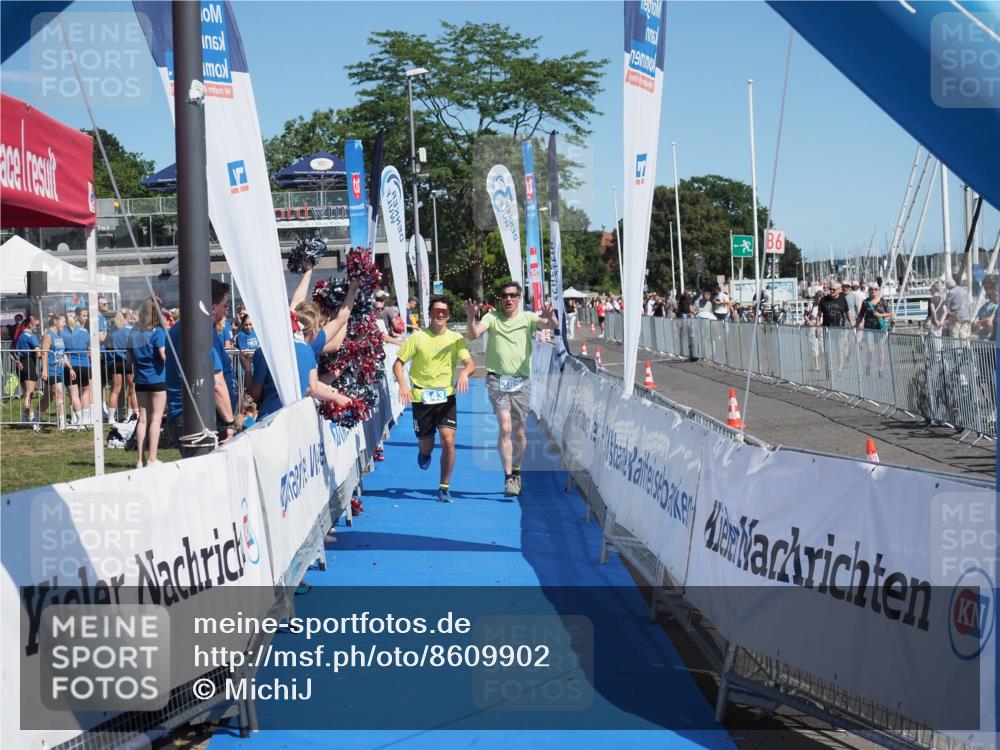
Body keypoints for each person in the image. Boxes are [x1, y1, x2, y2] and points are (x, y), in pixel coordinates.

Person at [464, 281, 559, 497]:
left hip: (521, 382)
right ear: (500, 299)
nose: (508, 299)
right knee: (505, 427)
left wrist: (550, 316)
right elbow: (473, 335)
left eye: (513, 295)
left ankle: (516, 471)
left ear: (518, 298)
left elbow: (550, 325)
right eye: (504, 295)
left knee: (519, 431)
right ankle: (508, 478)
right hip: (497, 380)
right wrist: (471, 317)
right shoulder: (492, 318)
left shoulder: (527, 318)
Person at [394, 296, 475, 503]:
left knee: (449, 440)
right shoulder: (418, 337)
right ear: (429, 314)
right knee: (426, 446)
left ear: (448, 316)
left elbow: (470, 363)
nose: (440, 315)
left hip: (446, 396)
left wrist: (465, 373)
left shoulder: (455, 338)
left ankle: (444, 486)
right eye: (436, 311)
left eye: (444, 312)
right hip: (422, 398)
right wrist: (404, 385)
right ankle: (424, 452)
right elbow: (398, 363)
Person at [166, 279, 238, 450]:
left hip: (196, 416)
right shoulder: (199, 332)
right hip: (199, 418)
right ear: (213, 308)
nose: (227, 310)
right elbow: (216, 384)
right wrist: (229, 423)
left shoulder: (183, 329)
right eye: (225, 305)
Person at [249, 307, 352, 422]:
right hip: (295, 418)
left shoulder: (262, 351)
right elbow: (312, 388)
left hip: (270, 417)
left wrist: (247, 369)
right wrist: (336, 397)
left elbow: (255, 394)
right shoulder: (307, 350)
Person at [129, 298, 168, 468]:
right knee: (156, 418)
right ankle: (152, 458)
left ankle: (139, 459)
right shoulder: (158, 332)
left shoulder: (133, 332)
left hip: (140, 379)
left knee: (142, 418)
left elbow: (129, 358)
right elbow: (163, 355)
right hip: (157, 378)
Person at [40, 313, 73, 429]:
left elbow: (62, 353)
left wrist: (70, 367)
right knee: (60, 394)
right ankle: (62, 423)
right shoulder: (48, 335)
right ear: (55, 321)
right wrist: (44, 370)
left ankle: (36, 419)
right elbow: (43, 353)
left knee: (49, 397)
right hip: (50, 369)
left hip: (59, 369)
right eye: (63, 321)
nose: (64, 324)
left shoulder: (59, 335)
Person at [62, 307, 94, 428]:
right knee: (85, 392)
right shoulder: (85, 333)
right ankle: (86, 419)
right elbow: (90, 348)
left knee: (74, 394)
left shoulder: (64, 333)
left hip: (71, 365)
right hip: (85, 365)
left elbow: (62, 351)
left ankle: (79, 419)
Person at [14, 314, 41, 424]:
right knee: (30, 392)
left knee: (27, 392)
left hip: (21, 363)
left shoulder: (19, 336)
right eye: (36, 325)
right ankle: (32, 418)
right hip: (29, 362)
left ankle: (26, 418)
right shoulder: (31, 336)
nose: (37, 327)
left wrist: (17, 360)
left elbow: (13, 351)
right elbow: (38, 353)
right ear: (30, 324)